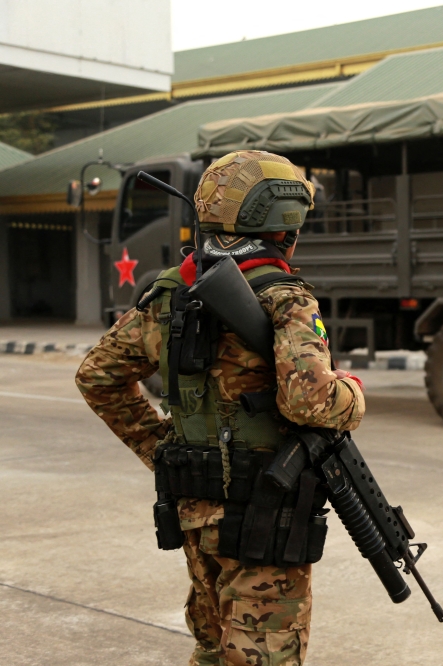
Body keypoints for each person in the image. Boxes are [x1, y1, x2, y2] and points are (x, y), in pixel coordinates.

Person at [75, 150, 366, 665]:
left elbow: (97, 375)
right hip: (265, 517)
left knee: (213, 652)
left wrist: (162, 447)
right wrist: (352, 392)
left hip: (195, 513)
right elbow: (309, 400)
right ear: (286, 224)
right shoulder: (285, 297)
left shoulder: (171, 291)